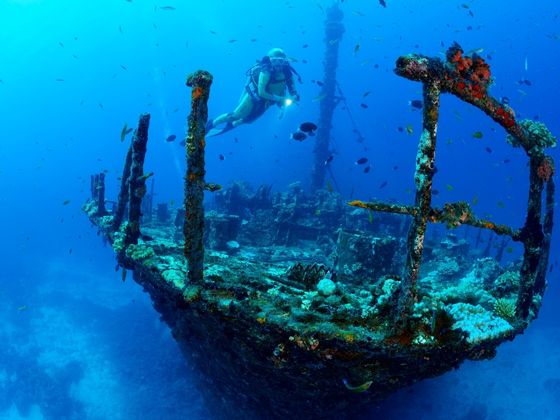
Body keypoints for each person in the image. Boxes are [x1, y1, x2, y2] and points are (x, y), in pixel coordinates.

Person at [205, 48, 301, 137]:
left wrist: (293, 96)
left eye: (280, 61)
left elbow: (292, 88)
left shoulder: (287, 72)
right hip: (254, 96)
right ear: (269, 61)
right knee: (236, 115)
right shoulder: (266, 72)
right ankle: (212, 124)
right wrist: (279, 99)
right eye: (274, 60)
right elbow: (261, 92)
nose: (278, 64)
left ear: (285, 62)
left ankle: (233, 125)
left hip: (269, 100)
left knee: (250, 120)